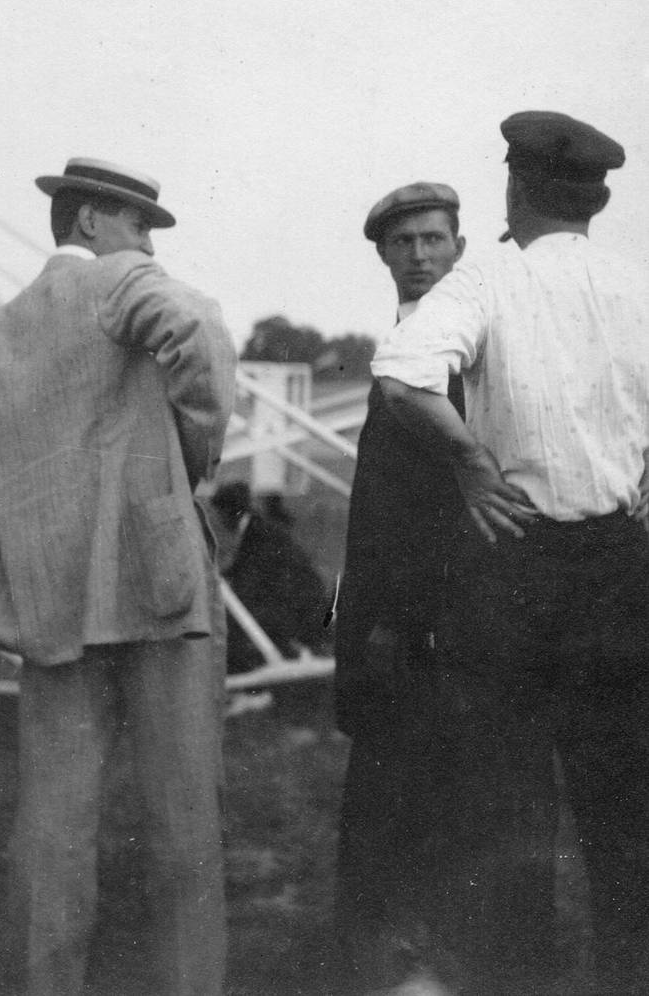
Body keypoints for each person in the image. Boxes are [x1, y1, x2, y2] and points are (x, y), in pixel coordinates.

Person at [0, 157, 237, 996]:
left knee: (51, 841)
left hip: (47, 612)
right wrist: (194, 455)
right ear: (93, 222)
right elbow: (200, 336)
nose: (147, 242)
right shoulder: (123, 281)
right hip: (164, 592)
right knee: (184, 836)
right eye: (139, 223)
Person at [372, 111, 649, 996]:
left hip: (518, 559)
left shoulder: (490, 270)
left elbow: (403, 373)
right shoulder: (631, 280)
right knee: (624, 806)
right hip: (620, 561)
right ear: (596, 199)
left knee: (507, 803)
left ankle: (517, 978)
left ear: (516, 187)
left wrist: (469, 462)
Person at [334, 182, 467, 993]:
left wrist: (395, 621)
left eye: (433, 239)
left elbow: (436, 506)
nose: (419, 255)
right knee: (384, 802)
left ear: (459, 246)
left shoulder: (460, 345)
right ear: (383, 253)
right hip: (382, 617)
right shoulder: (402, 339)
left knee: (414, 803)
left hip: (427, 625)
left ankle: (412, 965)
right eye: (404, 242)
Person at [208, 480, 326, 673]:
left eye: (219, 514)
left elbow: (253, 578)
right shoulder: (257, 528)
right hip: (300, 599)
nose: (219, 521)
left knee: (232, 625)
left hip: (300, 605)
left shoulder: (258, 534)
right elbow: (244, 568)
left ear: (228, 511)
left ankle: (248, 684)